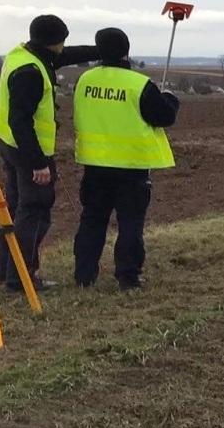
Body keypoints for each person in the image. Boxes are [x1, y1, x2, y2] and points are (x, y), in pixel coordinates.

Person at [0, 14, 103, 290]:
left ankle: (6, 271)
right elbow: (20, 120)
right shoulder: (30, 72)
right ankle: (22, 277)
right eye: (62, 41)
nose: (64, 47)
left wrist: (103, 50)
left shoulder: (24, 54)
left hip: (8, 144)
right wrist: (38, 163)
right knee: (35, 210)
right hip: (28, 150)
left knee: (16, 208)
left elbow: (66, 56)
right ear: (54, 41)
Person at [71, 28, 180, 290]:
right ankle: (128, 277)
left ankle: (84, 276)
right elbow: (164, 117)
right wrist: (170, 100)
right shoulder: (139, 84)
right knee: (131, 222)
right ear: (127, 50)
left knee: (92, 219)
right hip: (132, 167)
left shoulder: (84, 80)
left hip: (94, 164)